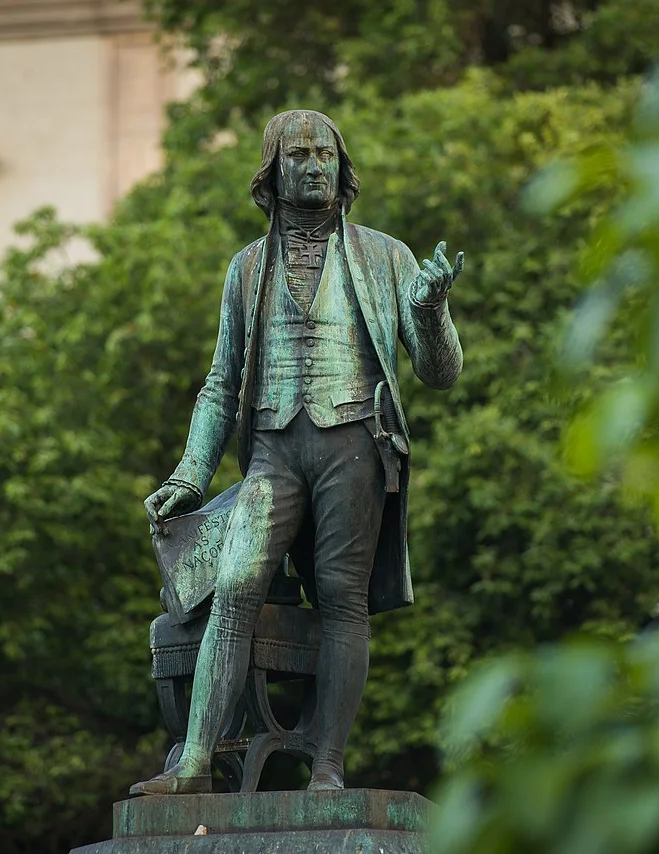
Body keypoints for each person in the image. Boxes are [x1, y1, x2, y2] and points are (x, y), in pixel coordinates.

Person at [130, 109, 464, 795]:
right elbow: (221, 383)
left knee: (342, 598)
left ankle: (328, 768)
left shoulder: (386, 256)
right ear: (271, 173)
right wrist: (190, 473)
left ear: (344, 169)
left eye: (326, 154)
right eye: (298, 154)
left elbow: (441, 373)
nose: (314, 165)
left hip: (354, 445)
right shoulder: (247, 269)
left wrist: (431, 312)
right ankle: (195, 762)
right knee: (235, 584)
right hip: (274, 452)